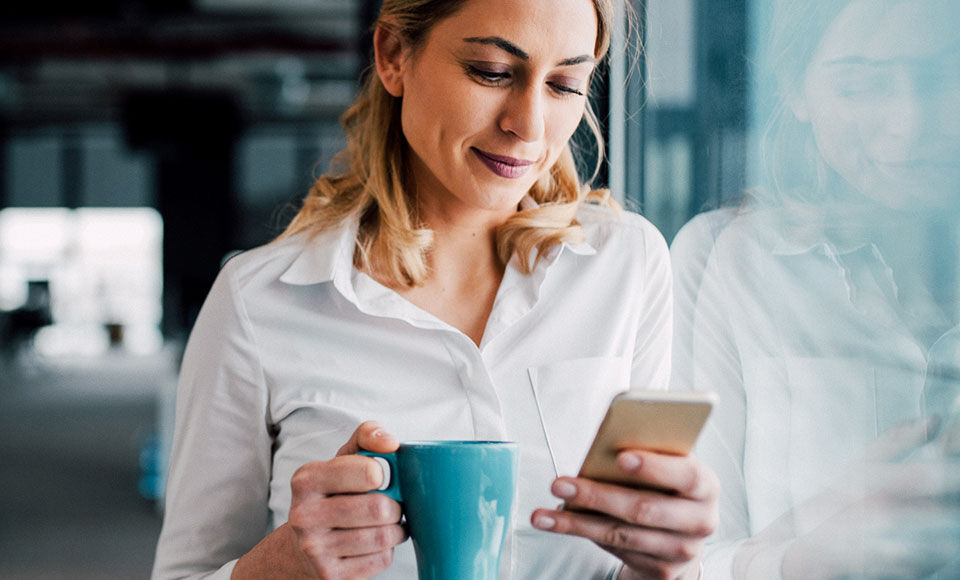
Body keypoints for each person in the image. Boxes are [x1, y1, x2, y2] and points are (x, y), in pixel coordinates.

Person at [152, 0, 719, 578]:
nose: (529, 125)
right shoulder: (259, 302)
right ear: (395, 56)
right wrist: (281, 566)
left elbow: (642, 550)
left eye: (565, 84)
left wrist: (668, 562)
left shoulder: (627, 264)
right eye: (493, 72)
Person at [671, 0, 960, 577]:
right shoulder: (726, 262)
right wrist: (816, 555)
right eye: (859, 86)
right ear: (796, 90)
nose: (911, 122)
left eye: (940, 77)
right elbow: (681, 564)